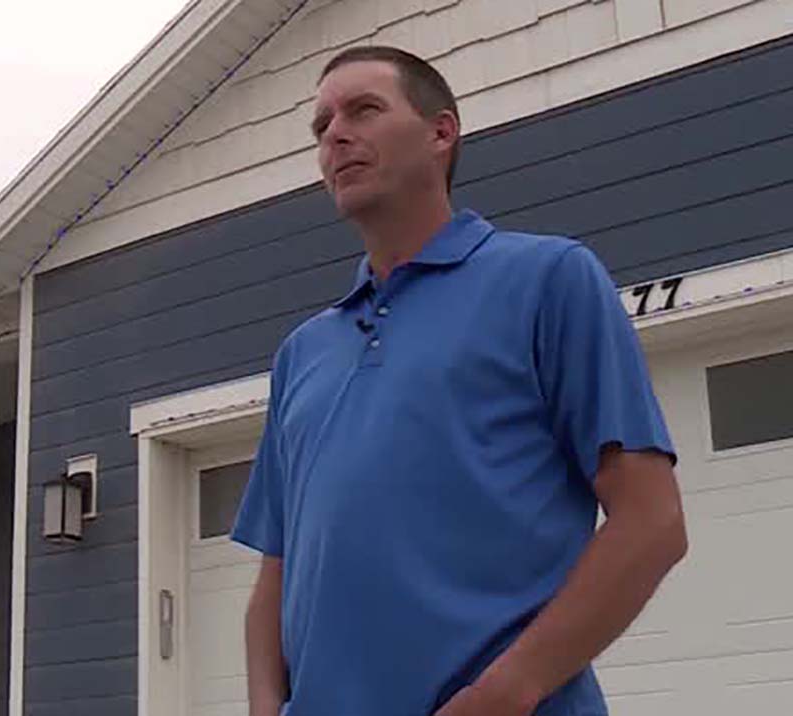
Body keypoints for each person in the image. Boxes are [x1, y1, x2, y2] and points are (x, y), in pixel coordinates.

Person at [230, 46, 688, 716]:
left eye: (363, 110)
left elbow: (653, 522)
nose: (334, 134)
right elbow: (277, 570)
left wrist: (507, 692)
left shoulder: (548, 280)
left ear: (441, 133)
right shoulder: (303, 353)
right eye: (321, 124)